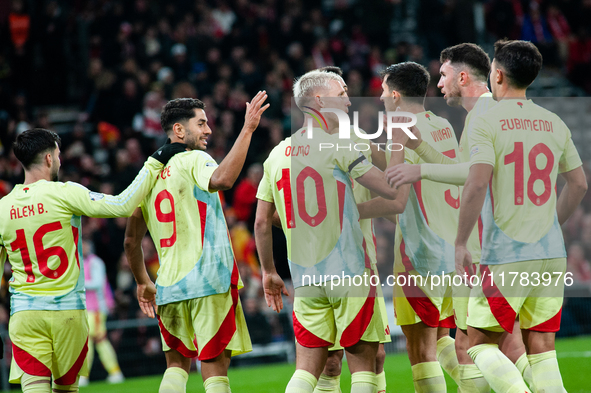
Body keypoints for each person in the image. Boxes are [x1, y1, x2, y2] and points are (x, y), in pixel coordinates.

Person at [387, 42, 533, 390]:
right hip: (494, 243)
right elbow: (462, 170)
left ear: (462, 76)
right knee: (501, 342)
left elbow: (399, 196)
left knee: (455, 346)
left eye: (444, 75)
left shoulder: (481, 115)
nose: (439, 85)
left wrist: (414, 168)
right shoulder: (453, 124)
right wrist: (421, 150)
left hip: (454, 248)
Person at [255, 69, 406, 393]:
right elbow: (393, 191)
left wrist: (269, 271)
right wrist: (401, 145)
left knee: (307, 370)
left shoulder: (276, 154)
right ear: (320, 101)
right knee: (364, 363)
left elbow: (261, 222)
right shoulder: (340, 146)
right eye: (341, 95)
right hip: (349, 270)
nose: (349, 100)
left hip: (306, 278)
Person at [0, 128, 184, 393]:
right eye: (59, 155)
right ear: (50, 158)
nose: (60, 161)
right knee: (66, 389)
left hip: (26, 314)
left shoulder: (3, 208)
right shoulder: (65, 193)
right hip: (68, 313)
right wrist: (155, 161)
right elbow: (122, 204)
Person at [455, 40, 587, 392]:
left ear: (497, 74)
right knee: (542, 350)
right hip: (551, 253)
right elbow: (578, 184)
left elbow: (477, 181)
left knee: (479, 342)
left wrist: (459, 242)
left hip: (507, 254)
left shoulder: (488, 119)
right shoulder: (554, 121)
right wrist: (551, 223)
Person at [124, 92, 269, 393]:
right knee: (215, 370)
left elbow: (130, 241)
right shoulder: (194, 159)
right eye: (201, 124)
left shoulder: (147, 174)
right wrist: (248, 129)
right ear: (179, 130)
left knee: (175, 368)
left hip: (168, 285)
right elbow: (223, 179)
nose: (208, 131)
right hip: (209, 281)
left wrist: (142, 281)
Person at [358, 62, 460, 392]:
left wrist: (349, 212)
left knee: (420, 351)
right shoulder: (442, 125)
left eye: (384, 91)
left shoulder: (400, 130)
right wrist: (367, 148)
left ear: (397, 95)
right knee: (443, 338)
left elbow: (395, 202)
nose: (381, 98)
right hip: (452, 249)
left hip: (421, 254)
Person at [311, 65, 391, 393]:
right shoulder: (304, 146)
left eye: (345, 90)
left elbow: (390, 184)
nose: (346, 96)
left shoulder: (358, 138)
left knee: (375, 354)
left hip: (360, 256)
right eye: (339, 91)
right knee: (328, 360)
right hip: (320, 261)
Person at [79, 238, 124, 386]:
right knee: (98, 341)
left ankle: (85, 376)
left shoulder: (96, 262)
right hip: (87, 308)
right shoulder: (82, 262)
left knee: (90, 341)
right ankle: (114, 372)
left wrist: (78, 284)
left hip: (96, 308)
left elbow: (98, 283)